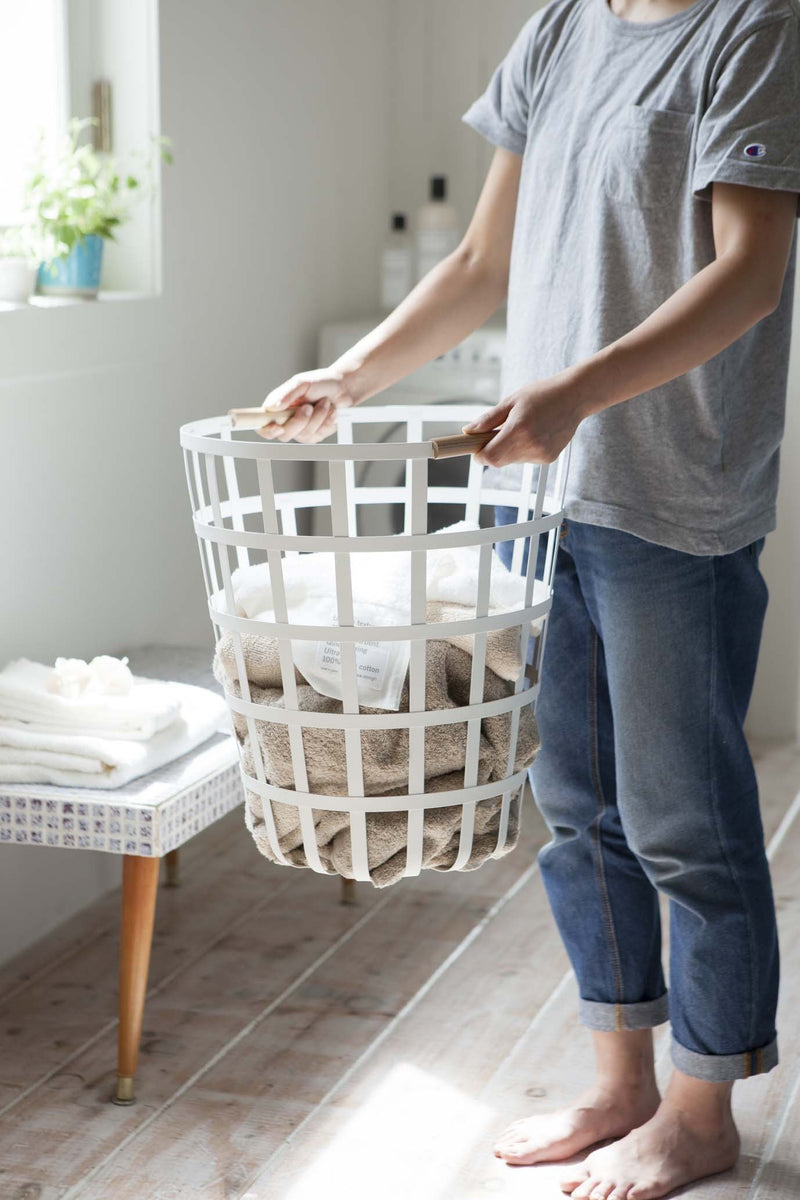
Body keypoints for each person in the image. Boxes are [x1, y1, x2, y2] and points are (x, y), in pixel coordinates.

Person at [258, 0, 800, 1196]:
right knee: (576, 809)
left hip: (671, 498)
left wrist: (572, 394)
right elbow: (479, 263)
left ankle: (701, 1111)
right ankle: (619, 1084)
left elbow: (750, 275)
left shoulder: (748, 28)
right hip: (540, 499)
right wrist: (351, 375)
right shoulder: (559, 25)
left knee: (682, 818)